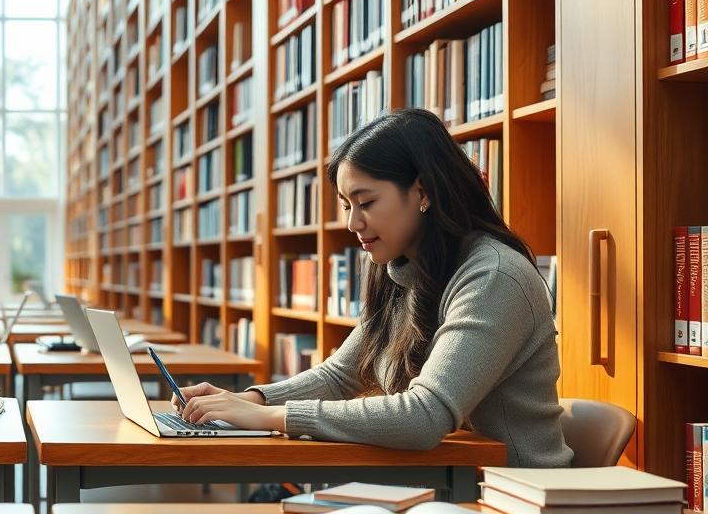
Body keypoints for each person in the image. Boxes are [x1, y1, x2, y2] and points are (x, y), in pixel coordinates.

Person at [175, 109, 572, 468]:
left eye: (366, 202)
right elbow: (340, 376)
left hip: (516, 497)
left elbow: (424, 416)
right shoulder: (400, 266)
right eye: (347, 205)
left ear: (423, 192)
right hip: (447, 480)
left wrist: (272, 418)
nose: (353, 223)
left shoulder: (495, 276)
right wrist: (249, 400)